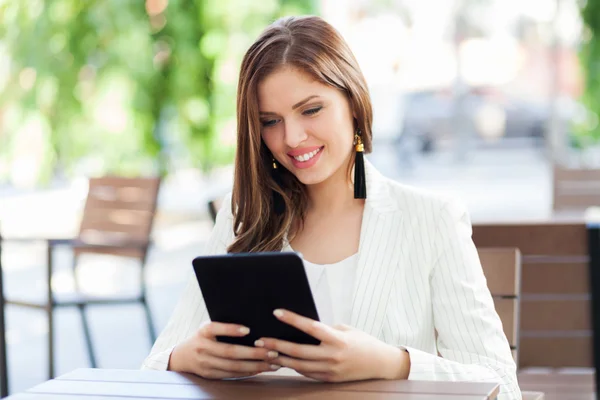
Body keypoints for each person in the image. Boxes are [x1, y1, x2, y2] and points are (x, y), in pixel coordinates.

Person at [142, 15, 521, 400]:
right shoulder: (243, 217)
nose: (291, 138)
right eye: (271, 121)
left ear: (352, 102)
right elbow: (154, 365)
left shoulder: (430, 220)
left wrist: (393, 364)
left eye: (310, 110)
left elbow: (502, 387)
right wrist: (186, 358)